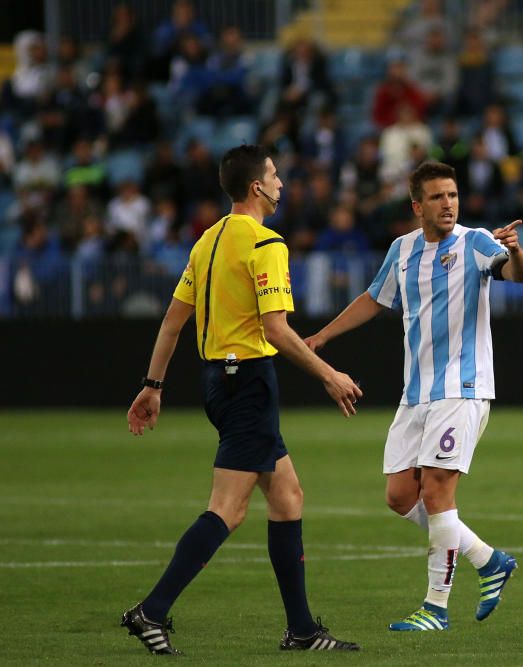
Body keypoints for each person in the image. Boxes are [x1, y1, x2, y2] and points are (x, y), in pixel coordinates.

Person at [120, 145, 363, 654]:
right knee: (228, 510)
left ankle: (300, 630)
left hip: (220, 382)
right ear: (257, 186)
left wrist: (153, 385)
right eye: (274, 175)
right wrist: (328, 374)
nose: (280, 182)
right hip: (248, 382)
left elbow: (172, 321)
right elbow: (276, 328)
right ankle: (151, 610)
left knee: (288, 496)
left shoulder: (207, 242)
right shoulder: (265, 243)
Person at [305, 161, 523, 632]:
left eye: (452, 195)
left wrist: (516, 249)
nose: (448, 203)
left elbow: (517, 274)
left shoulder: (475, 243)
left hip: (462, 388)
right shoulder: (402, 250)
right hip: (416, 394)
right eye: (437, 197)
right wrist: (322, 338)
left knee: (436, 490)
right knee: (399, 494)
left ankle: (435, 608)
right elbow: (373, 298)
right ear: (417, 206)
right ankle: (489, 560)